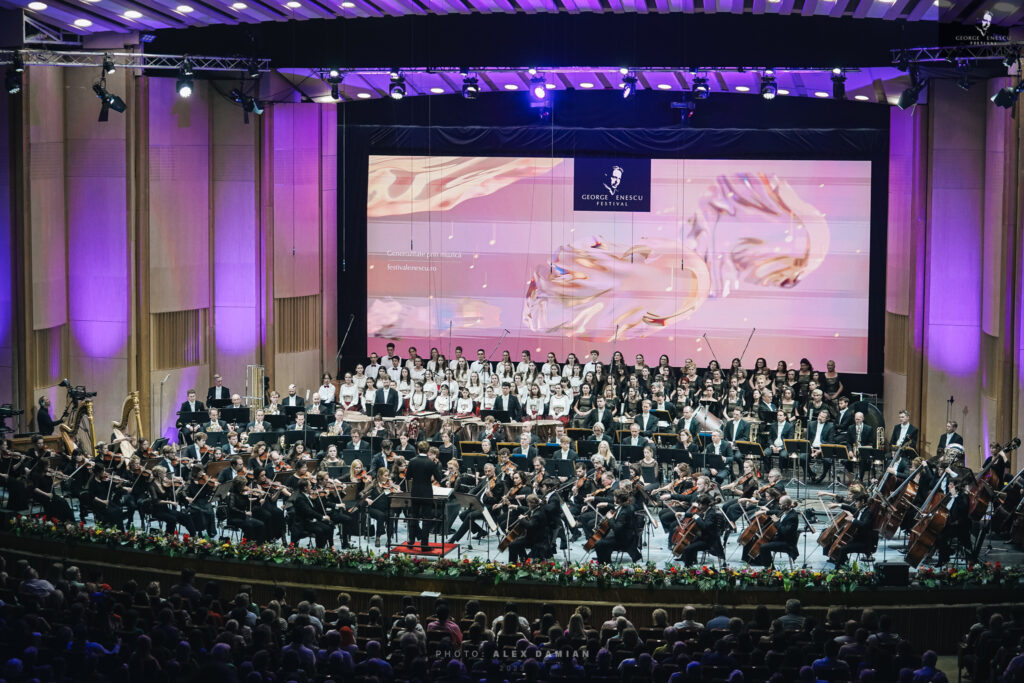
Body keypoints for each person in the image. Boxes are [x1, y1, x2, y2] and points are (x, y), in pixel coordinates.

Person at [407, 440, 443, 550]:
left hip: (415, 492)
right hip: (427, 493)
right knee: (426, 519)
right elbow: (439, 478)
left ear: (418, 450)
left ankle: (411, 542)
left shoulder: (412, 461)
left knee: (414, 516)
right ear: (428, 451)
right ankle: (424, 544)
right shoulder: (431, 463)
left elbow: (407, 477)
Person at [594, 489, 642, 563]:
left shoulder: (624, 513)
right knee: (599, 535)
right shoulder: (625, 506)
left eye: (615, 497)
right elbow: (616, 507)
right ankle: (605, 559)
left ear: (618, 499)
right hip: (623, 535)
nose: (613, 498)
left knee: (598, 543)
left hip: (624, 540)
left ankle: (603, 563)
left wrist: (610, 518)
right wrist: (607, 504)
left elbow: (616, 528)